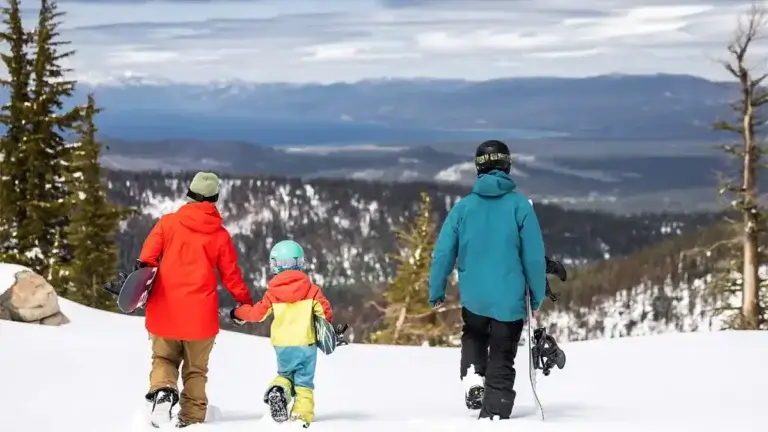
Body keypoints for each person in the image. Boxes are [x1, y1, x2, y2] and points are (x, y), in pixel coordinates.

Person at [428, 140, 548, 421]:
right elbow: (533, 257)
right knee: (503, 352)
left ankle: (473, 376)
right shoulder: (520, 207)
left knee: (474, 335)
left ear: (478, 168)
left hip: (474, 297)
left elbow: (443, 253)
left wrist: (437, 290)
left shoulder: (463, 208)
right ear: (507, 165)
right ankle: (495, 408)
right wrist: (537, 295)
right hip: (509, 300)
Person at [134, 171, 254, 428]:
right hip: (201, 318)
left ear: (189, 194)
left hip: (164, 311)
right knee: (196, 371)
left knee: (164, 360)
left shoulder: (167, 224)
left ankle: (163, 390)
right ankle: (192, 420)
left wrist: (139, 291)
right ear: (215, 199)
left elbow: (146, 260)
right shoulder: (219, 235)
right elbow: (232, 276)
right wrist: (245, 302)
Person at [229, 239, 333, 427]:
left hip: (283, 345)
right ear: (300, 262)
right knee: (303, 381)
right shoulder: (312, 290)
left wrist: (237, 312)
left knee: (285, 374)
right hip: (306, 343)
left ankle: (279, 389)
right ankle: (301, 415)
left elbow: (256, 314)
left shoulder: (273, 294)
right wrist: (327, 330)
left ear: (274, 265)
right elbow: (324, 313)